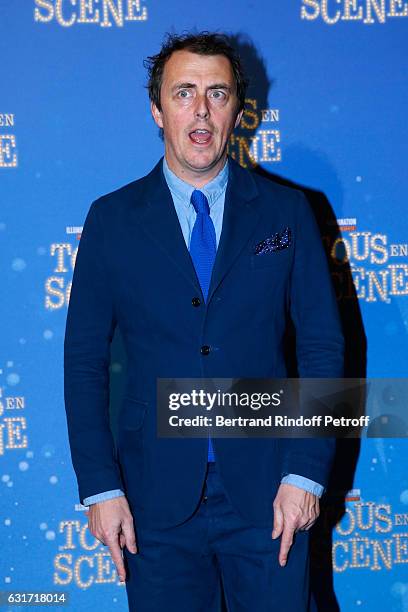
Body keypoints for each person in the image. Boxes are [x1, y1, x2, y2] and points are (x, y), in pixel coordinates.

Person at [64, 32, 344, 611]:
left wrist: (306, 476)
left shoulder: (288, 212)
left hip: (271, 494)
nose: (200, 110)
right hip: (151, 499)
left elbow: (322, 347)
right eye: (183, 92)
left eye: (217, 94)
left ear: (238, 111)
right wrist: (100, 486)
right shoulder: (111, 219)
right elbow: (83, 362)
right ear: (156, 109)